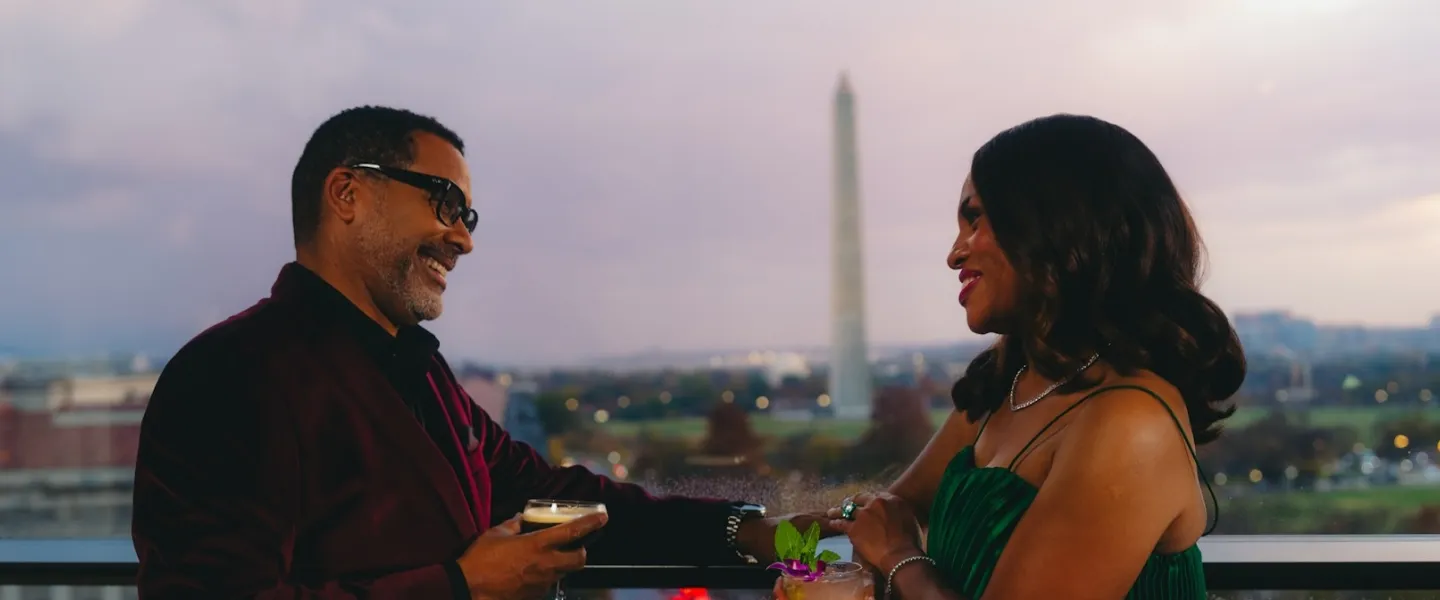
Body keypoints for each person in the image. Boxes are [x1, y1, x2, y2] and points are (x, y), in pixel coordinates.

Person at [131, 106, 829, 599]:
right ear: (347, 193)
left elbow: (551, 497)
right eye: (444, 203)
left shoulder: (419, 371)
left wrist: (746, 530)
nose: (464, 239)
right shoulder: (228, 375)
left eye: (467, 217)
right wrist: (461, 587)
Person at [795, 114, 1245, 599]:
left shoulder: (1132, 421)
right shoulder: (1012, 385)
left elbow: (892, 536)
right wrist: (737, 528)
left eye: (974, 219)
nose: (954, 254)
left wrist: (902, 558)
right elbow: (887, 512)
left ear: (1057, 226)